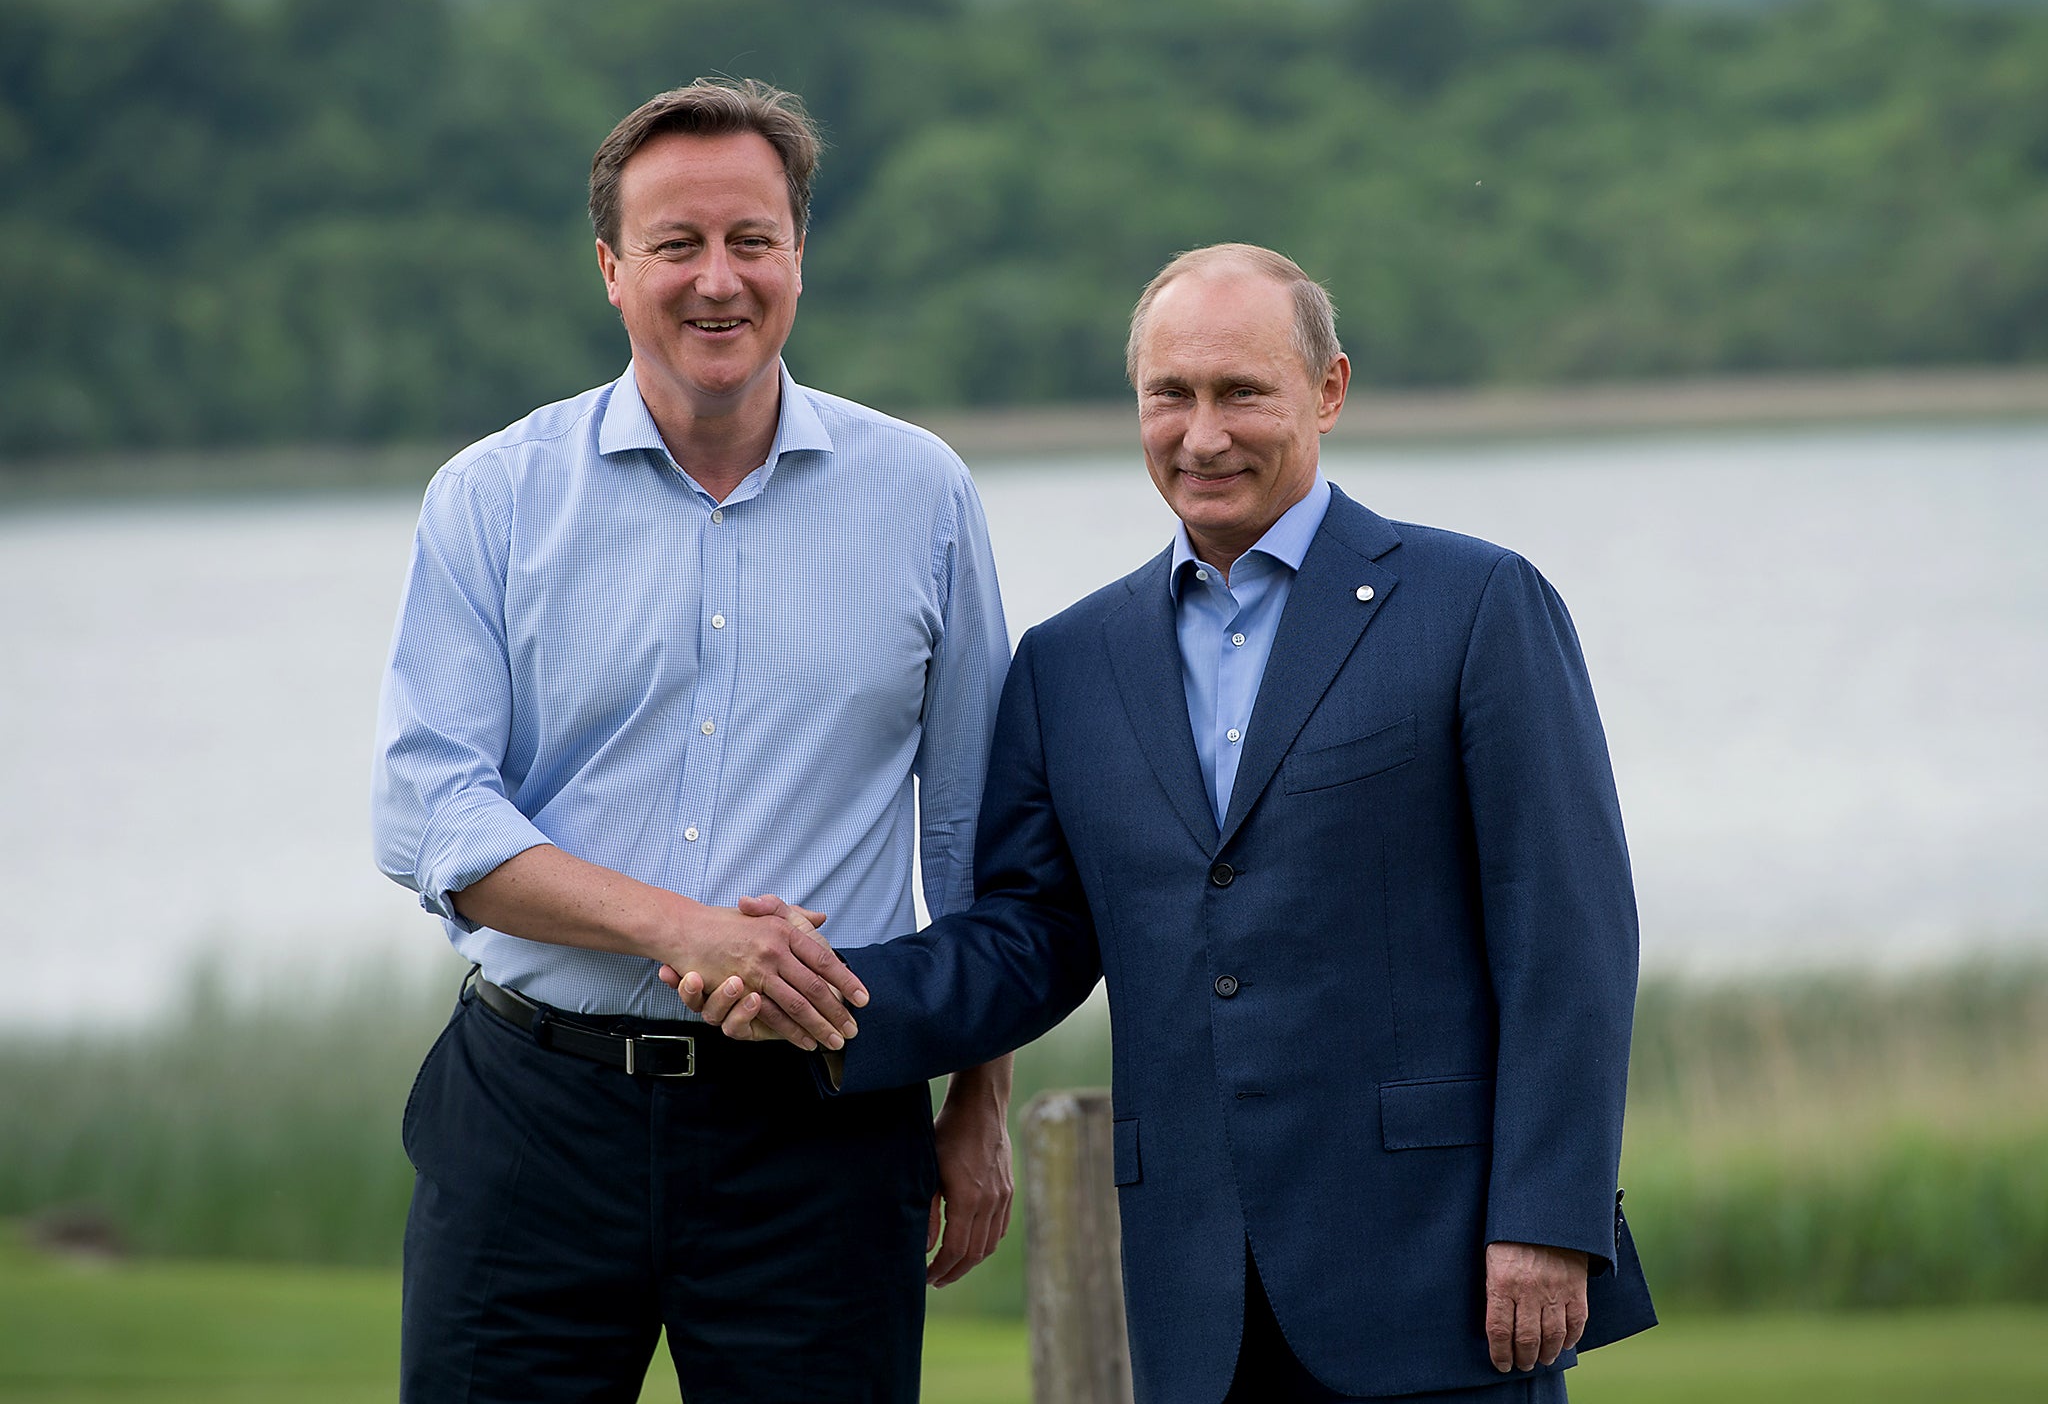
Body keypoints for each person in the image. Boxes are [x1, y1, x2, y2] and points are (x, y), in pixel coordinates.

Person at [682, 244, 1657, 1401]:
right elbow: (1029, 939)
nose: (1202, 435)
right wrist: (824, 991)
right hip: (1195, 1294)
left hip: (1438, 1267)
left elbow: (1569, 938)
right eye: (1170, 396)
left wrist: (1547, 1218)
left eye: (1241, 392)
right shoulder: (1067, 665)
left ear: (1328, 391)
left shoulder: (1475, 606)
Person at [370, 78, 1017, 1404]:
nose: (717, 282)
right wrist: (694, 932)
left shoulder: (925, 497)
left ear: (798, 256)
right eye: (676, 246)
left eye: (752, 241)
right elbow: (434, 817)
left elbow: (970, 837)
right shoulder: (491, 499)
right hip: (533, 1119)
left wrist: (979, 1105)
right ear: (612, 269)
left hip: (821, 1135)